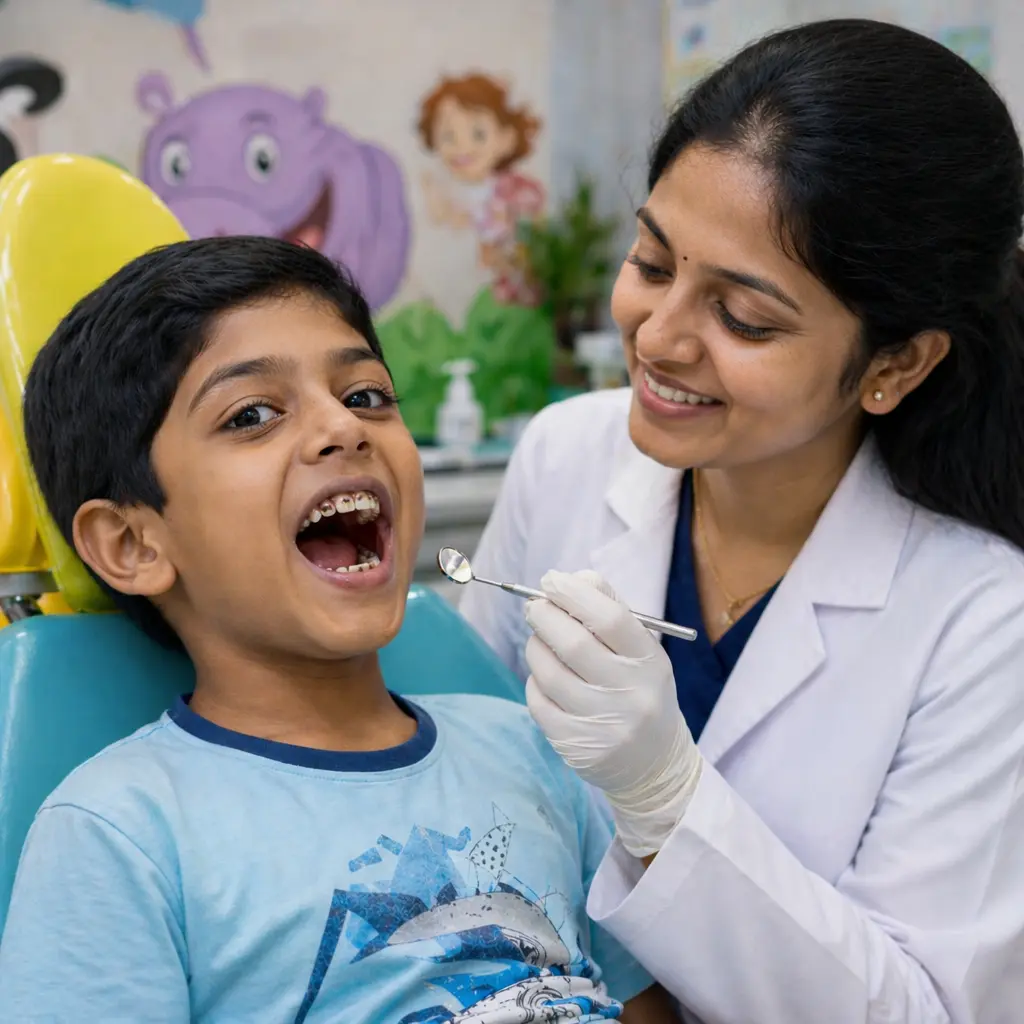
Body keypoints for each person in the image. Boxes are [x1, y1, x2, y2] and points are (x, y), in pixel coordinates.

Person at [460, 18, 1024, 1024]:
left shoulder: (985, 619)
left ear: (895, 364)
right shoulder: (566, 456)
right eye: (650, 260)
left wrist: (664, 800)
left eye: (744, 318)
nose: (660, 336)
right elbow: (468, 789)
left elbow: (926, 1011)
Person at [0, 237, 675, 1023]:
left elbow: (642, 1003)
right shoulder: (120, 833)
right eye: (252, 414)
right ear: (133, 543)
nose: (343, 429)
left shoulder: (531, 748)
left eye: (365, 397)